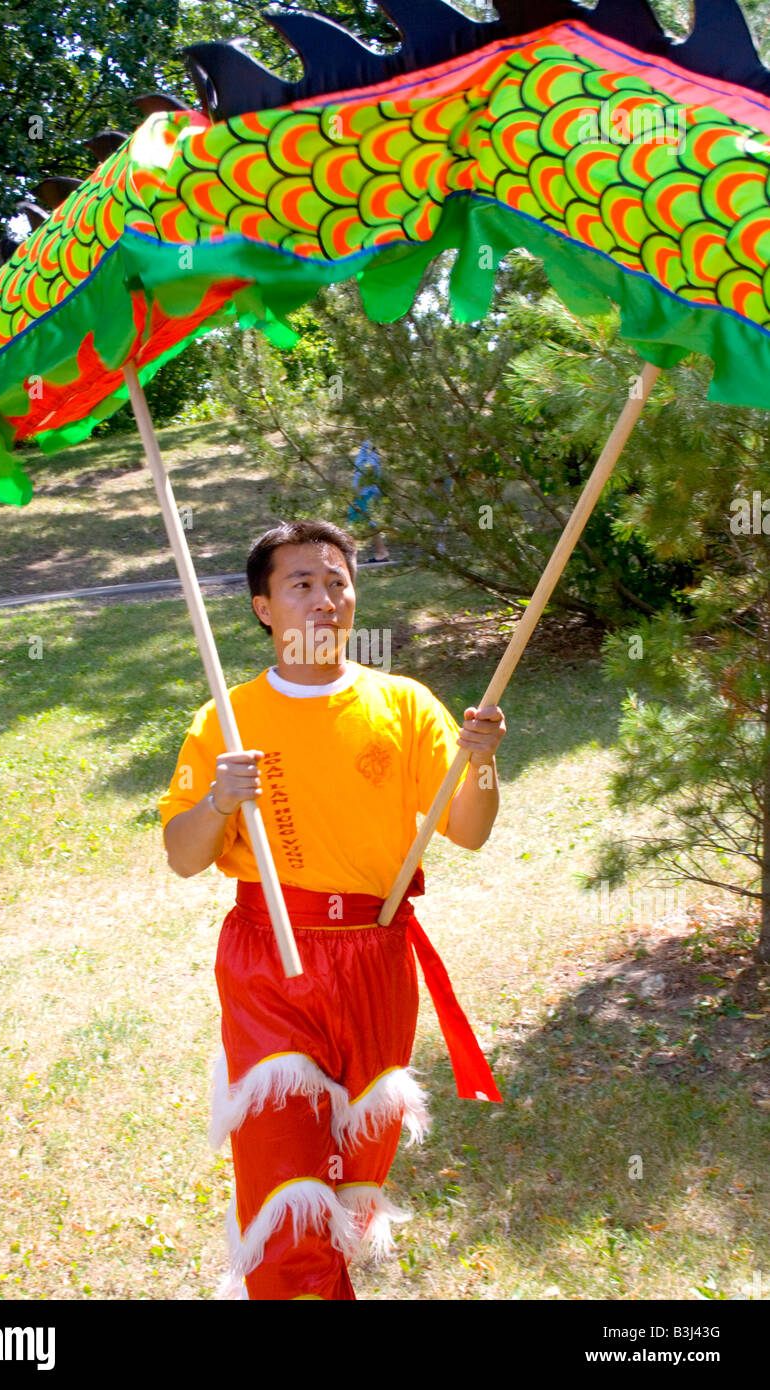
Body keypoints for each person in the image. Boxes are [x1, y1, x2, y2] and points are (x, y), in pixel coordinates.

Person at [158, 518, 506, 1299]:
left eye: (337, 581)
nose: (324, 598)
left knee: (352, 1173)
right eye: (301, 584)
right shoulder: (227, 718)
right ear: (263, 608)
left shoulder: (405, 704)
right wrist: (219, 799)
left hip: (377, 953)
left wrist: (480, 764)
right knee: (287, 1180)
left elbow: (471, 832)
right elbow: (184, 857)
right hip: (270, 960)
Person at [348, 439, 390, 561]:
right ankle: (381, 552)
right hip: (366, 491)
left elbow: (368, 468)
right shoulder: (365, 443)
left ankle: (350, 557)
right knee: (366, 522)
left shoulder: (369, 442)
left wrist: (357, 489)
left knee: (356, 521)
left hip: (365, 492)